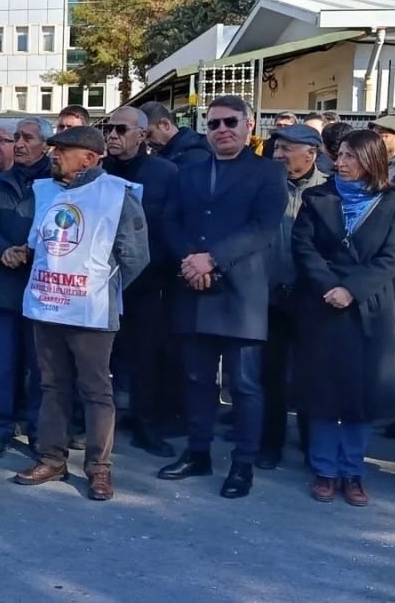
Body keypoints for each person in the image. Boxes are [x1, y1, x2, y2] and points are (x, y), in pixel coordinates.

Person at [158, 95, 288, 499]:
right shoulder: (190, 172)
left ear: (250, 126)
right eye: (213, 124)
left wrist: (212, 260)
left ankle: (243, 464)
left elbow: (264, 227)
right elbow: (170, 220)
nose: (222, 130)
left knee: (245, 385)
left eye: (231, 122)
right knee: (196, 380)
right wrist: (190, 261)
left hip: (241, 294)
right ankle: (198, 453)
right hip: (193, 288)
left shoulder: (269, 173)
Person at [12, 125, 149, 500]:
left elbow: (136, 257)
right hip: (47, 306)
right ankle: (52, 458)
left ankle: (99, 469)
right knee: (52, 386)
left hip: (91, 311)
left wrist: (101, 288)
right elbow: (38, 243)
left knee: (95, 391)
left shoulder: (117, 194)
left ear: (89, 158)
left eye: (63, 149)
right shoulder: (45, 191)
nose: (54, 154)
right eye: (54, 148)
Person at [291, 130, 395, 506]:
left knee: (361, 398)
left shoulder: (393, 203)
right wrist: (330, 286)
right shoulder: (317, 197)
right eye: (339, 155)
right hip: (323, 306)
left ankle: (352, 472)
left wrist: (352, 290)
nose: (339, 162)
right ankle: (324, 470)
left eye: (349, 157)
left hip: (368, 309)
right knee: (325, 395)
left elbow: (392, 258)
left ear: (370, 161)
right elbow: (304, 247)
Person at [100, 106, 180, 458]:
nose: (112, 136)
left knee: (146, 357)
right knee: (98, 357)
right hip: (100, 281)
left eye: (121, 129)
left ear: (142, 135)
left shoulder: (166, 173)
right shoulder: (97, 172)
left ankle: (147, 425)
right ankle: (98, 424)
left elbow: (171, 225)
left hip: (147, 281)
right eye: (108, 129)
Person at [0, 116, 53, 454]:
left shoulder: (59, 183)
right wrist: (1, 250)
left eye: (27, 137)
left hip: (45, 287)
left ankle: (39, 431)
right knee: (0, 365)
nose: (20, 144)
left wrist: (31, 250)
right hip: (2, 286)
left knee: (41, 367)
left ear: (45, 145)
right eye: (17, 137)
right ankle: (1, 428)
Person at [258, 124, 329, 470]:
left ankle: (312, 443)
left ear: (311, 154)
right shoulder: (265, 186)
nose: (278, 154)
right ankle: (270, 442)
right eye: (277, 148)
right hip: (269, 295)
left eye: (287, 149)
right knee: (269, 375)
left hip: (311, 299)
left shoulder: (330, 191)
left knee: (310, 375)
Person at [142, 101, 211, 167]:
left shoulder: (194, 157)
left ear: (165, 124)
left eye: (149, 135)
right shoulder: (167, 154)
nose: (147, 142)